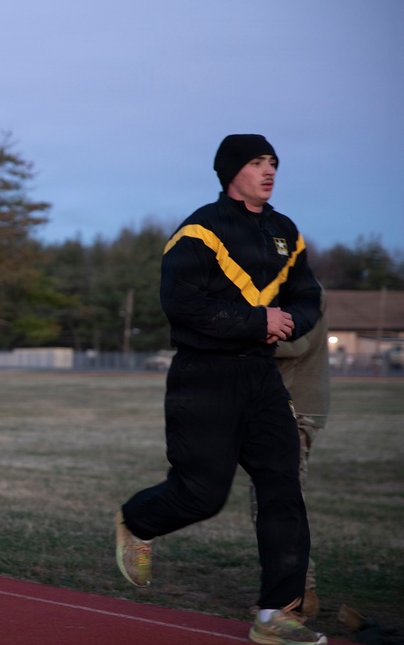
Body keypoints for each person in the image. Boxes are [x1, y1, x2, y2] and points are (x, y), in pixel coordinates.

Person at [114, 135, 328, 645]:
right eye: (257, 163)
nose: (269, 171)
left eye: (273, 163)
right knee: (202, 495)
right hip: (204, 376)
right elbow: (182, 304)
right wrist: (257, 321)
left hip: (262, 377)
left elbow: (308, 296)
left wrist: (286, 323)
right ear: (232, 170)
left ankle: (277, 616)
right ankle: (137, 521)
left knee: (283, 491)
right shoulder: (199, 231)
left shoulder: (285, 231)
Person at [251, 291, 330, 620]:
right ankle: (293, 591)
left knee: (279, 504)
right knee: (270, 503)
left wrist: (225, 329)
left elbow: (292, 342)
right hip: (277, 408)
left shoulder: (300, 288)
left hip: (294, 409)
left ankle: (295, 597)